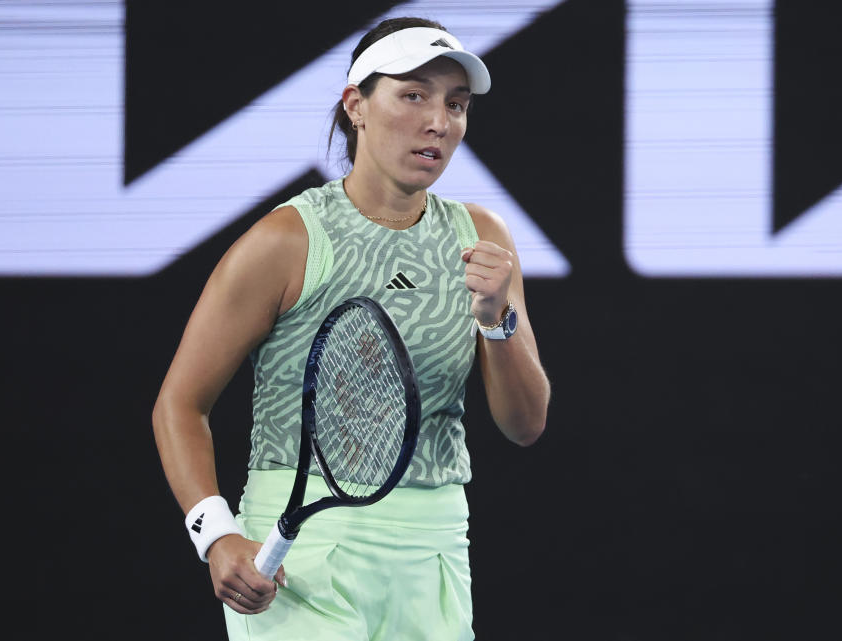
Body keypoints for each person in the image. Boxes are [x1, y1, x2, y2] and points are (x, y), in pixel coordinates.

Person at [152, 16, 550, 641]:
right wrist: (216, 532)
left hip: (435, 549)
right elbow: (180, 404)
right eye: (413, 95)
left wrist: (500, 319)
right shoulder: (286, 240)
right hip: (302, 551)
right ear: (356, 106)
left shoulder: (485, 241)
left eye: (456, 104)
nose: (438, 123)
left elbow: (525, 426)